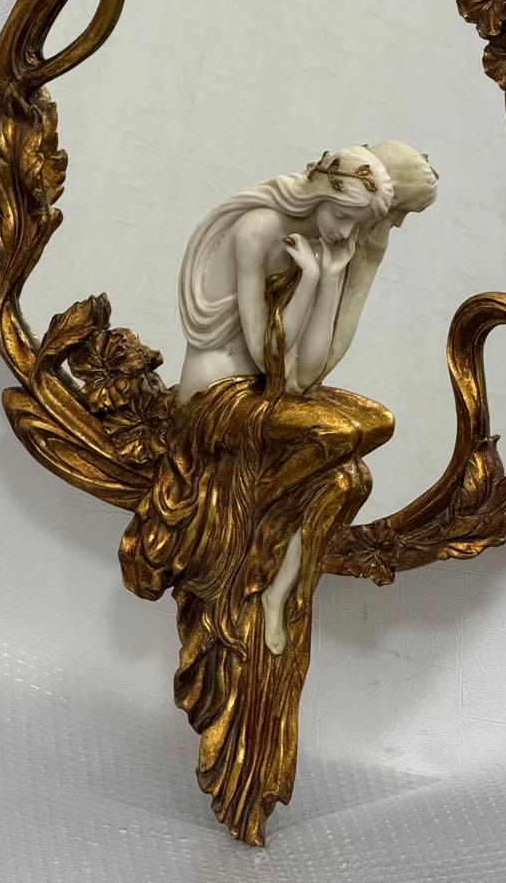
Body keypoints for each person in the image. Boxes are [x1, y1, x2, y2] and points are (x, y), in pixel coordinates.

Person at [174, 140, 436, 654]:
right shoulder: (259, 230)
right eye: (343, 217)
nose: (345, 233)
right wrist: (313, 277)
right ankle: (261, 542)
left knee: (364, 446)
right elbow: (274, 362)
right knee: (337, 437)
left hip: (265, 393)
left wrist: (334, 276)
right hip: (216, 395)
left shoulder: (319, 244)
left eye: (356, 224)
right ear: (320, 193)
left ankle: (278, 587)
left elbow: (308, 372)